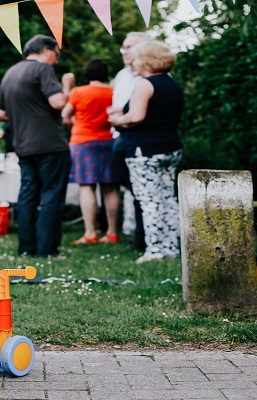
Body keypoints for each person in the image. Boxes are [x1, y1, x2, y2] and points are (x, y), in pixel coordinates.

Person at [0, 34, 74, 257]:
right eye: (56, 55)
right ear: (46, 50)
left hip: (22, 145)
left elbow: (1, 114)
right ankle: (47, 250)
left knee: (28, 195)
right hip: (49, 143)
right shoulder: (42, 69)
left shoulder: (10, 73)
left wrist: (25, 115)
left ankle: (26, 248)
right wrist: (67, 86)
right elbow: (58, 102)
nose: (56, 61)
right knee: (52, 194)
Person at [108, 40, 184, 264]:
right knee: (167, 199)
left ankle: (154, 250)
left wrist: (118, 120)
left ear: (147, 60)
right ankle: (170, 247)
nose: (134, 61)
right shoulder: (171, 84)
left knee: (149, 200)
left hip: (145, 150)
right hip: (170, 147)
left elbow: (136, 117)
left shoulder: (145, 83)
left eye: (137, 57)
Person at [61, 59, 121, 245]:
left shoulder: (78, 92)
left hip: (83, 142)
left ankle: (90, 233)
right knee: (110, 187)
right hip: (107, 141)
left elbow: (65, 115)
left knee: (87, 186)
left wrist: (76, 122)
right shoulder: (113, 92)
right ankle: (111, 233)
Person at [109, 32, 151, 251]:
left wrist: (120, 114)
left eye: (129, 47)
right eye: (123, 47)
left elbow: (139, 112)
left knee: (142, 190)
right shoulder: (122, 75)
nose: (124, 51)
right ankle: (139, 234)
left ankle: (142, 238)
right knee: (132, 189)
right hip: (119, 137)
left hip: (139, 138)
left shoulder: (151, 77)